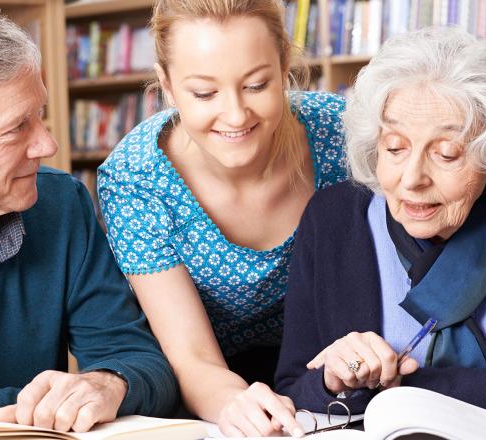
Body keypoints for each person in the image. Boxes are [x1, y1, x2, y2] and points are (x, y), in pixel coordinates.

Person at [97, 0, 346, 436]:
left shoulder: (343, 133)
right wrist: (236, 403)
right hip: (206, 394)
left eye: (256, 85)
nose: (235, 115)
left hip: (332, 377)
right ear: (167, 87)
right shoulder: (135, 179)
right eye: (204, 93)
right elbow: (190, 356)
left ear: (285, 64)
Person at [0, 4, 178, 432]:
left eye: (39, 115)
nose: (48, 144)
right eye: (16, 128)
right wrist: (44, 409)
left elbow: (141, 361)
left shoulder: (62, 203)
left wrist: (108, 383)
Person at [275, 27, 486, 420]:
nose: (412, 179)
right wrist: (333, 379)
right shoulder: (332, 220)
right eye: (395, 148)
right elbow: (293, 388)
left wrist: (402, 388)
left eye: (446, 154)